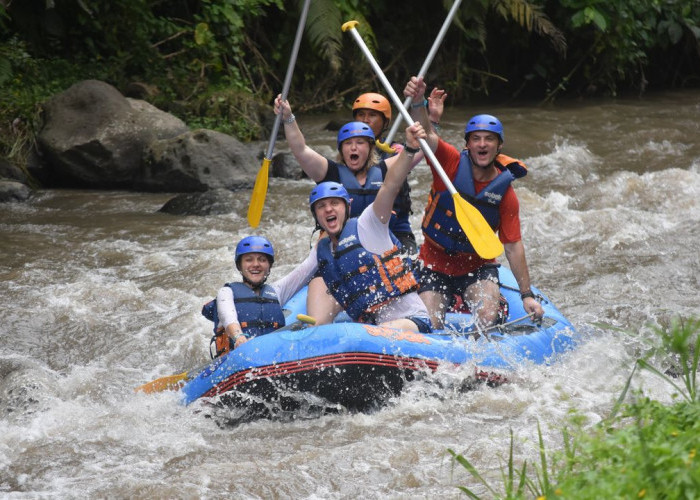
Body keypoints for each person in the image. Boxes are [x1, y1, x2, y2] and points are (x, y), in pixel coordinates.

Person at [403, 75, 544, 330]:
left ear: (498, 145)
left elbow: (512, 246)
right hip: (433, 264)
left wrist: (527, 295)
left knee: (488, 318)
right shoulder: (449, 164)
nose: (482, 144)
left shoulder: (505, 194)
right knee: (429, 323)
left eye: (489, 139)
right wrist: (418, 103)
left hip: (476, 268)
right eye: (476, 138)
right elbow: (428, 137)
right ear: (467, 143)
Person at [290, 121, 432, 333]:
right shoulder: (324, 248)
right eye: (348, 144)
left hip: (379, 248)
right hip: (347, 259)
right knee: (320, 325)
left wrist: (412, 146)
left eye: (359, 143)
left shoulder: (370, 220)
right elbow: (300, 150)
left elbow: (393, 183)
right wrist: (289, 118)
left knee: (376, 329)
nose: (354, 148)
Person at [201, 235, 315, 357]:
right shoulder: (227, 292)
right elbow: (228, 317)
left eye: (262, 260)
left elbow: (309, 266)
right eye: (249, 260)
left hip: (273, 358)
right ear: (240, 265)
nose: (256, 264)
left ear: (269, 266)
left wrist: (323, 229)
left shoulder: (276, 292)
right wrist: (239, 337)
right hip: (236, 361)